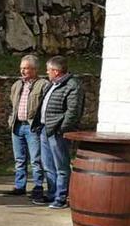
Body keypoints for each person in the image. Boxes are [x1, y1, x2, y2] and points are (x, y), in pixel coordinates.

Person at [35, 56, 84, 209]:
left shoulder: (72, 85)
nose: (46, 72)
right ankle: (52, 194)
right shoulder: (52, 84)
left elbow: (73, 112)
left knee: (61, 166)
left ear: (56, 71)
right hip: (45, 129)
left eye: (48, 70)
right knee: (48, 165)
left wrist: (61, 129)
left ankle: (61, 197)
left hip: (57, 131)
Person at [7, 55, 50, 200]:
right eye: (21, 68)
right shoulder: (17, 85)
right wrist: (10, 120)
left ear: (35, 69)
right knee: (19, 159)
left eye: (26, 68)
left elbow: (46, 107)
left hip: (32, 127)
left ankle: (38, 186)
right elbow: (12, 105)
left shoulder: (43, 84)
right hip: (17, 126)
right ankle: (20, 186)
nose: (23, 71)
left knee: (35, 160)